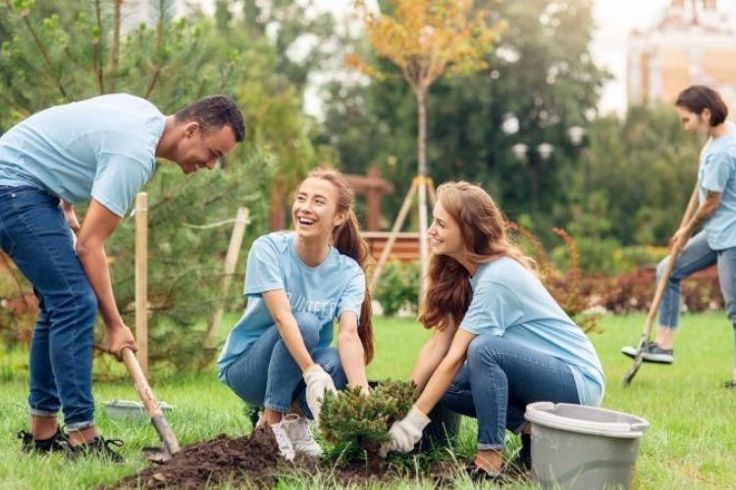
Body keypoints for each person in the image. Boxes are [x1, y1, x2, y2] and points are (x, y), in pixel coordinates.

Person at [0, 93, 245, 460]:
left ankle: (43, 435)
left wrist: (65, 203)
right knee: (74, 301)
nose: (211, 165)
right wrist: (115, 325)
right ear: (191, 130)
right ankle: (82, 436)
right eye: (213, 153)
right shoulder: (134, 153)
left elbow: (74, 132)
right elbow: (89, 246)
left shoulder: (143, 113)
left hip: (31, 185)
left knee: (59, 303)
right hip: (14, 186)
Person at [381, 182, 605, 479]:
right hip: (541, 381)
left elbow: (456, 356)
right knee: (449, 387)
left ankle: (489, 460)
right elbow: (437, 348)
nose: (430, 230)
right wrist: (396, 407)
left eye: (440, 224)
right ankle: (536, 432)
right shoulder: (463, 273)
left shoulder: (497, 277)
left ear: (468, 231)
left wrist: (413, 425)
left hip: (577, 382)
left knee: (484, 349)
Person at [217, 166, 373, 460]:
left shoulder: (348, 271)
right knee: (305, 322)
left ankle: (295, 420)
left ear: (339, 217)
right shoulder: (269, 249)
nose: (305, 208)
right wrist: (311, 371)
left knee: (338, 364)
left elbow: (349, 335)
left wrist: (362, 400)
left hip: (296, 368)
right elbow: (282, 318)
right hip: (249, 368)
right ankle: (270, 422)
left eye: (318, 201)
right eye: (301, 198)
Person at [622, 85, 736, 373]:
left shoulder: (724, 151)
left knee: (735, 309)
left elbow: (711, 202)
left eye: (687, 120)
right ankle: (663, 345)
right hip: (716, 232)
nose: (685, 127)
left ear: (706, 113)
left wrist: (685, 230)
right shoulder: (718, 138)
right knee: (668, 270)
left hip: (731, 236)